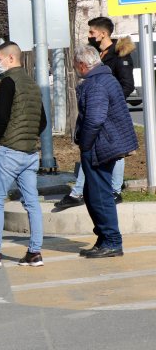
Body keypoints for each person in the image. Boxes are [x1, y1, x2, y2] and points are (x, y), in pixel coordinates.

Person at [0, 42, 47, 269]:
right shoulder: (32, 84)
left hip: (9, 151)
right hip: (30, 152)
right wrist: (28, 138)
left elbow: (1, 116)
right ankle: (35, 252)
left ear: (10, 59)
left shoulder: (8, 82)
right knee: (32, 202)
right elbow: (41, 121)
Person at [59, 17, 136, 208]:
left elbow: (127, 85)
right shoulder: (95, 54)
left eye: (92, 32)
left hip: (111, 112)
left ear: (103, 33)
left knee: (115, 150)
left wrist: (110, 101)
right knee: (97, 148)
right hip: (98, 108)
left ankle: (112, 190)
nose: (89, 35)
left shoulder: (120, 54)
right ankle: (85, 190)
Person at [73, 45, 138, 258]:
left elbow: (94, 118)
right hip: (103, 144)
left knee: (99, 195)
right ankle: (103, 238)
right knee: (93, 194)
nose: (75, 69)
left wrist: (85, 144)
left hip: (99, 146)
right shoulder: (104, 78)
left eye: (75, 65)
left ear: (83, 65)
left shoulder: (97, 84)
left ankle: (111, 241)